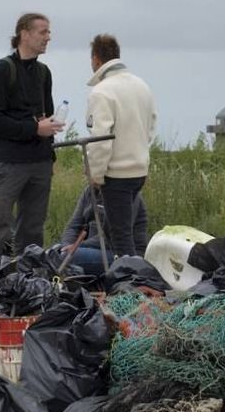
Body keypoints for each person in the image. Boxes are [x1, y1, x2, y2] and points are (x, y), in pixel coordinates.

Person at [0, 13, 64, 279]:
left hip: (40, 162)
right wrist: (34, 128)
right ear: (24, 34)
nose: (48, 37)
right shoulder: (3, 69)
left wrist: (49, 144)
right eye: (43, 32)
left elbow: (45, 114)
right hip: (9, 164)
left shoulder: (44, 72)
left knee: (33, 230)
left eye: (48, 32)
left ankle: (30, 286)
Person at [84, 34, 157, 259]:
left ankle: (130, 284)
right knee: (117, 230)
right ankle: (128, 277)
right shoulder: (141, 85)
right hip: (139, 170)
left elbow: (100, 139)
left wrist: (95, 174)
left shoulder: (102, 91)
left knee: (121, 237)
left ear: (96, 59)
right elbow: (151, 126)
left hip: (116, 174)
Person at [59, 185, 149, 275]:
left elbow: (111, 236)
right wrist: (65, 246)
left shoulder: (125, 195)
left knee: (68, 257)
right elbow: (73, 226)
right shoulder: (90, 192)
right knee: (52, 253)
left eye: (90, 170)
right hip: (91, 248)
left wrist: (76, 247)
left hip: (120, 254)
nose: (86, 173)